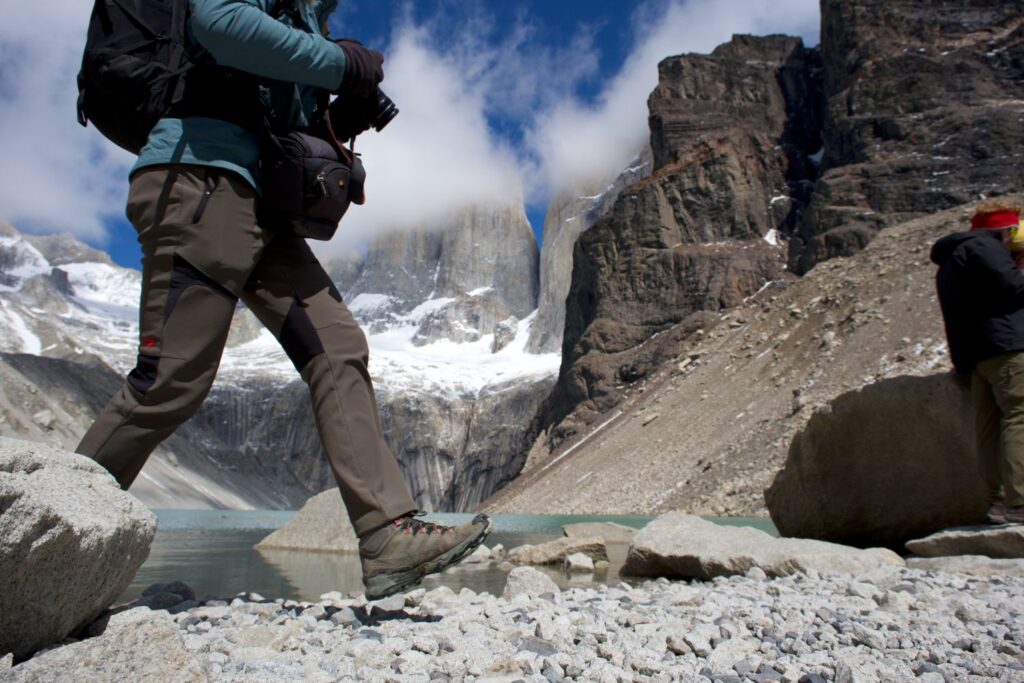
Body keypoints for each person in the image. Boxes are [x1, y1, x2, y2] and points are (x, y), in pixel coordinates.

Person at [76, 0, 491, 599]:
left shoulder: (299, 11)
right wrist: (338, 64)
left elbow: (269, 99)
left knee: (337, 345)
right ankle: (47, 541)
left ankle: (386, 534)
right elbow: (218, 23)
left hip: (257, 202)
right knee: (170, 382)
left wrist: (336, 110)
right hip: (198, 181)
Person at [931, 203, 1024, 525]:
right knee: (1019, 418)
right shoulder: (986, 248)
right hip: (1007, 347)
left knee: (988, 429)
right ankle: (1020, 502)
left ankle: (997, 502)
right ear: (1005, 231)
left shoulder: (952, 261)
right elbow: (1014, 287)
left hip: (975, 356)